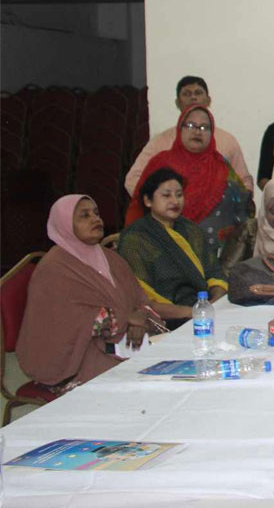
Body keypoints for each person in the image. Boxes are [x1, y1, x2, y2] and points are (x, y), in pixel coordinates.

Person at [17, 195, 159, 396]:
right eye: (84, 215)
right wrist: (127, 318)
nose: (95, 219)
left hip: (122, 345)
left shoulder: (111, 258)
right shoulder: (54, 268)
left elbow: (140, 298)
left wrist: (140, 318)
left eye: (96, 213)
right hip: (78, 359)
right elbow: (70, 323)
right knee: (139, 389)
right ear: (65, 224)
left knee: (166, 369)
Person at [125, 105, 253, 266]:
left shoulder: (223, 168)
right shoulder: (161, 163)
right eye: (191, 125)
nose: (197, 132)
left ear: (212, 133)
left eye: (204, 127)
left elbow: (243, 209)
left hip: (216, 260)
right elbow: (139, 206)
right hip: (162, 255)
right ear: (180, 129)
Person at [118, 167, 227, 319]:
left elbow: (214, 272)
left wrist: (215, 301)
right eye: (166, 195)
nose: (175, 201)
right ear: (148, 200)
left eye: (179, 195)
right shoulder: (135, 238)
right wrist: (193, 313)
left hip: (204, 308)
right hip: (165, 318)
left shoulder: (190, 229)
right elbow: (142, 297)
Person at [124, 76, 251, 194]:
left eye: (198, 93)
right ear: (177, 103)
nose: (193, 98)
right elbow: (133, 179)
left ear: (208, 100)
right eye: (186, 94)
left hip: (217, 210)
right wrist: (161, 201)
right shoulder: (160, 142)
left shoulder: (227, 141)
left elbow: (244, 182)